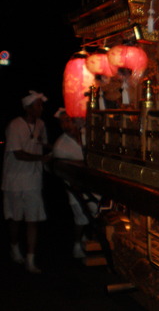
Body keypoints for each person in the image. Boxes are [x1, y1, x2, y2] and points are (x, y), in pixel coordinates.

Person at [2, 91, 52, 273]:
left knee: (33, 220)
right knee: (15, 219)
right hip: (14, 181)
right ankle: (14, 248)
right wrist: (41, 159)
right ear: (28, 108)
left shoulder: (41, 124)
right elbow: (18, 153)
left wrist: (59, 147)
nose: (41, 108)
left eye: (41, 105)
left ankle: (30, 259)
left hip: (33, 180)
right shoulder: (15, 125)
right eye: (38, 105)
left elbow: (43, 144)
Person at [52, 108, 99, 259]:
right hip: (75, 188)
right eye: (62, 122)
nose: (66, 125)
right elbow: (69, 168)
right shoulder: (60, 146)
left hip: (95, 186)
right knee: (80, 218)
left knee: (98, 214)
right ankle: (77, 244)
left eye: (68, 120)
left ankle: (94, 242)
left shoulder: (88, 134)